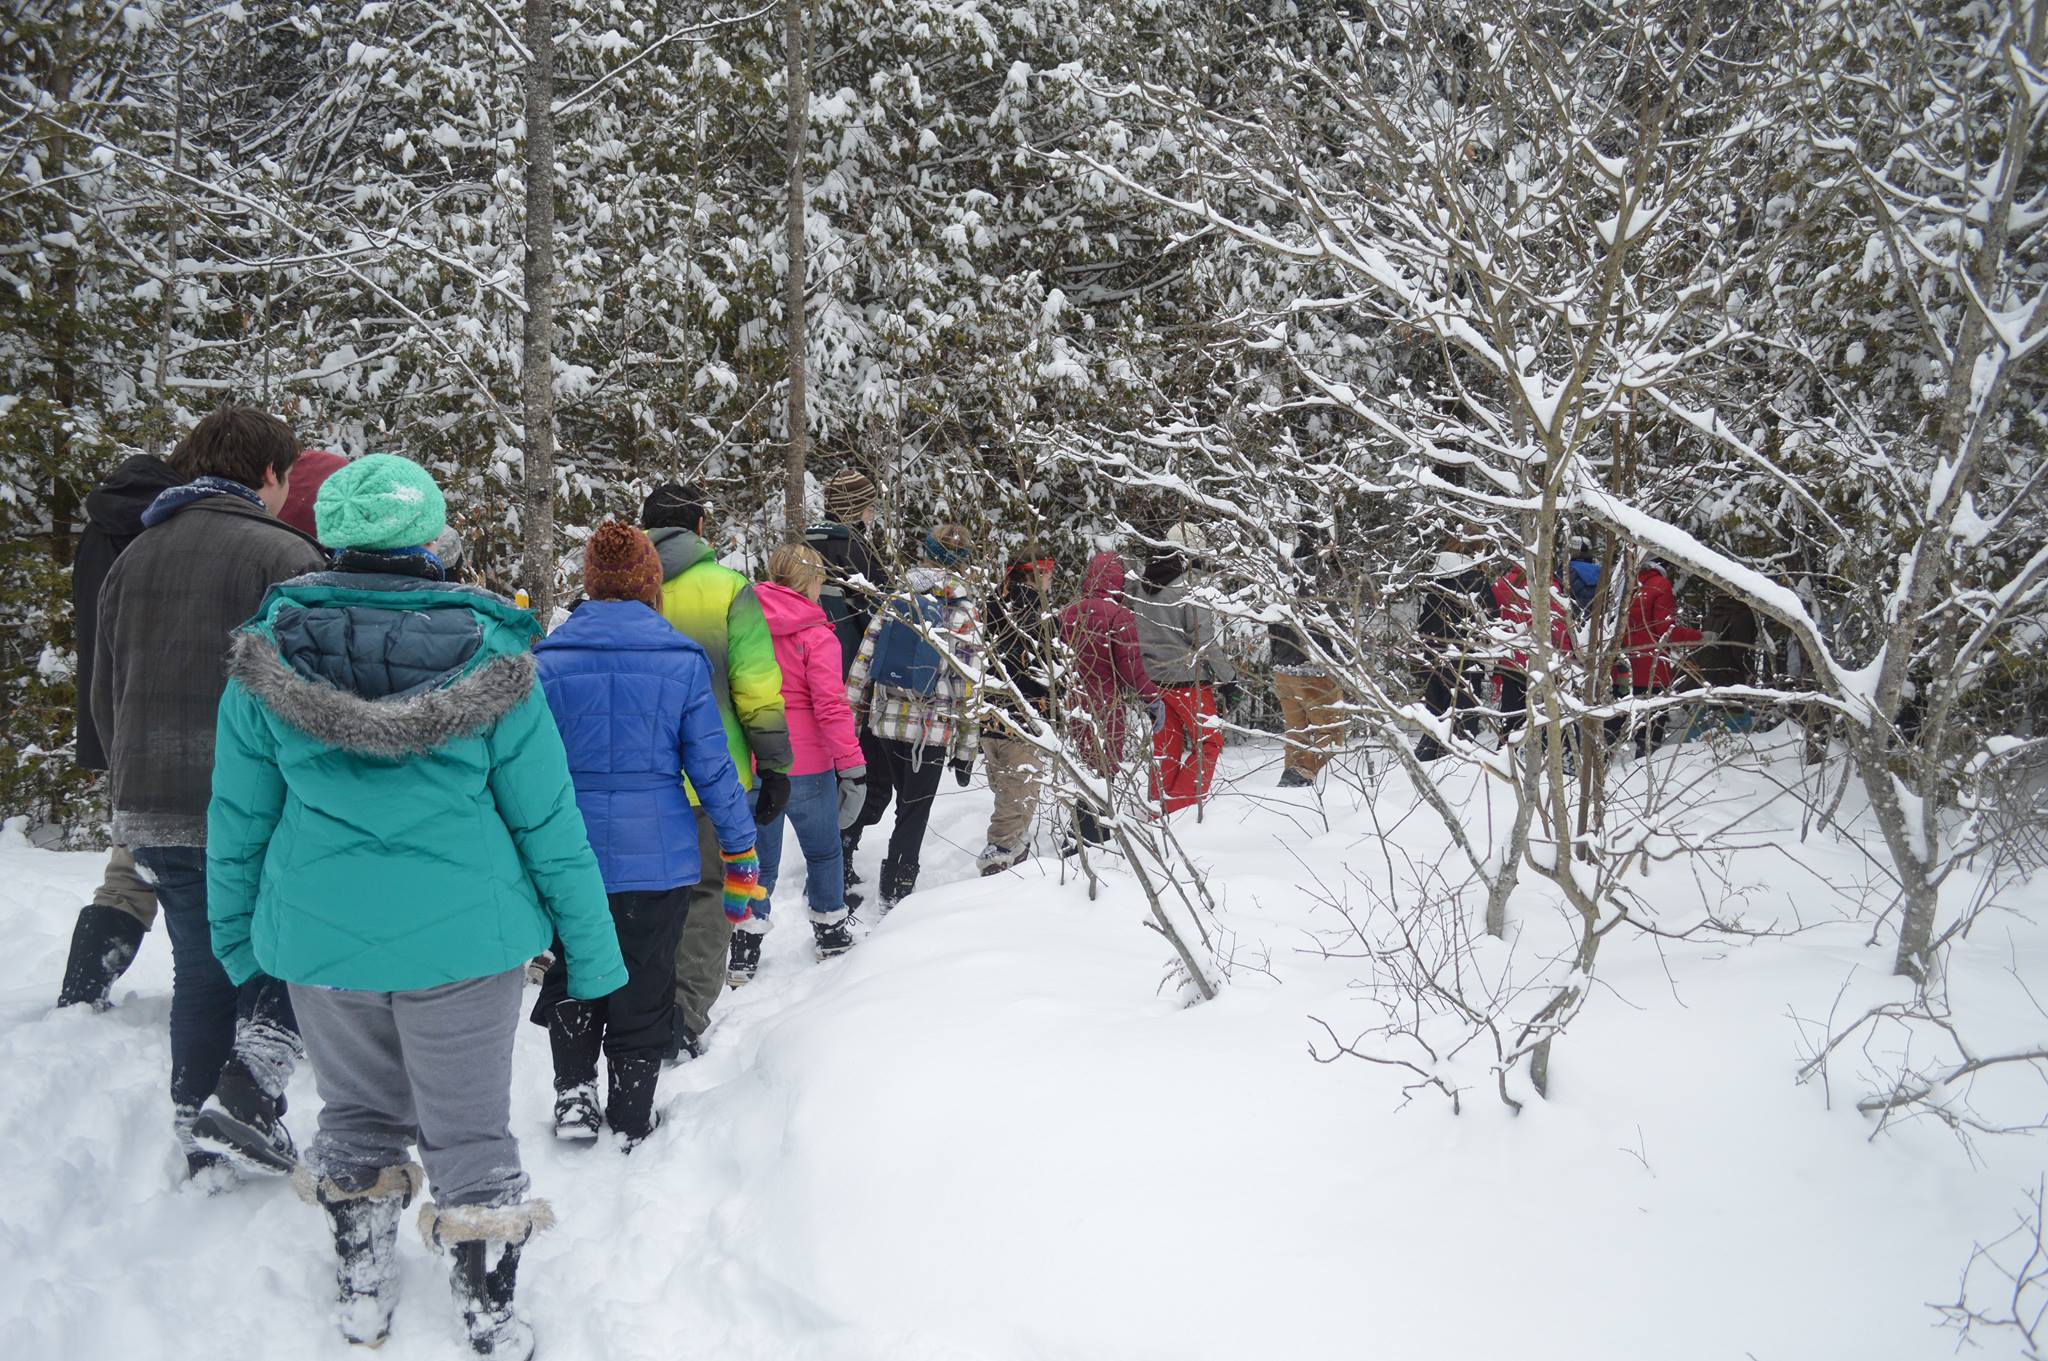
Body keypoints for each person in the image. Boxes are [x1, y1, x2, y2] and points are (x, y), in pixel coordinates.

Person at [206, 454, 626, 1355]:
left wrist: (239, 946)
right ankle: (488, 1315)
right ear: (431, 538)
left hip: (323, 941)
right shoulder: (499, 662)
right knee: (469, 1129)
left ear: (334, 536)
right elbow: (551, 823)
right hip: (466, 944)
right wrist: (591, 955)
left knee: (355, 1115)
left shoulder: (264, 658)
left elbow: (237, 823)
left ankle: (363, 1286)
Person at [90, 404, 326, 1178]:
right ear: (267, 473)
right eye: (285, 477)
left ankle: (198, 1129)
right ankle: (245, 1095)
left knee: (199, 964)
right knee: (284, 951)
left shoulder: (135, 556)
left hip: (147, 800)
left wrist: (126, 775)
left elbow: (106, 687)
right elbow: (308, 694)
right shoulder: (284, 555)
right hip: (244, 804)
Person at [531, 521, 759, 1144]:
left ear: (590, 583)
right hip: (658, 859)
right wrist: (740, 844)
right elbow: (710, 766)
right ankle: (630, 1110)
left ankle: (574, 1097)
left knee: (575, 964)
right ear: (652, 587)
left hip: (568, 852)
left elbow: (524, 767)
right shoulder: (679, 661)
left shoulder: (548, 660)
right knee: (647, 974)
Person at [639, 483, 793, 1061]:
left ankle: (634, 1010)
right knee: (706, 896)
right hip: (715, 777)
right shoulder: (729, 590)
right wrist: (775, 762)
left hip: (636, 780)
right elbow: (755, 687)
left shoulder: (617, 588)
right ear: (700, 527)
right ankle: (682, 1016)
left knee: (644, 896)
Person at [55, 451, 186, 1009]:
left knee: (129, 864)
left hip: (119, 715)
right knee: (189, 867)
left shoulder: (100, 529)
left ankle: (81, 994)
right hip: (178, 715)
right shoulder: (171, 534)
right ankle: (202, 995)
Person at [731, 543, 867, 983]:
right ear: (811, 581)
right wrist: (852, 764)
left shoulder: (743, 623)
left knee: (758, 859)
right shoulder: (816, 634)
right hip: (807, 765)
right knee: (824, 851)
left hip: (756, 759)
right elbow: (830, 706)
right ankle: (830, 931)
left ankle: (745, 948)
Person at [843, 524, 982, 909]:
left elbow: (863, 663)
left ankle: (839, 864)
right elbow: (969, 687)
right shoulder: (963, 614)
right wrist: (967, 750)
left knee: (871, 793)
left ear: (926, 551)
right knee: (913, 811)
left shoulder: (897, 600)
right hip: (930, 733)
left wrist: (851, 722)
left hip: (882, 721)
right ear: (964, 562)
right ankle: (896, 892)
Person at [1130, 527, 1240, 812]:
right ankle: (1178, 809)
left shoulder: (1142, 583)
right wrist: (1229, 680)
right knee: (1209, 743)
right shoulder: (1190, 587)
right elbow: (1204, 640)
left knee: (1166, 749)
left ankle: (1160, 810)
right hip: (1188, 681)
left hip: (1154, 680)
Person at [1059, 551, 1164, 846]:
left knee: (1084, 765)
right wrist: (1151, 699)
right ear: (1120, 581)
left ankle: (1083, 829)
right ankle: (1091, 835)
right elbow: (1131, 666)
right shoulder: (1119, 616)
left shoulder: (1068, 613)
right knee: (1103, 766)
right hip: (1106, 702)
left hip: (1073, 698)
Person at [975, 553, 1057, 873]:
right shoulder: (1040, 614)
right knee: (1015, 801)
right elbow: (1051, 672)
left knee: (1011, 793)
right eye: (1048, 574)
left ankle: (1014, 857)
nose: (1050, 580)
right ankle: (998, 858)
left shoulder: (989, 607)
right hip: (1025, 719)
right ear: (1035, 576)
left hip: (991, 716)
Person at [1269, 530, 1346, 788]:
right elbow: (1336, 625)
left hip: (1283, 668)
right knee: (1333, 733)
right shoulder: (1319, 578)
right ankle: (1300, 775)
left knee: (1296, 732)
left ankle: (1290, 785)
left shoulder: (1283, 576)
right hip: (1313, 669)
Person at [1412, 534, 1491, 762]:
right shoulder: (1476, 579)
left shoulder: (1437, 575)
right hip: (1464, 654)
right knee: (1464, 721)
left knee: (1435, 712)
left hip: (1434, 649)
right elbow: (1491, 616)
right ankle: (1456, 768)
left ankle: (1425, 761)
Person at [804, 468, 891, 674]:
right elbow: (881, 600)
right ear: (852, 509)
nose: (871, 516)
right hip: (848, 654)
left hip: (805, 652)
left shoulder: (802, 543)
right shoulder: (852, 546)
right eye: (869, 508)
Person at [1622, 559, 1703, 755]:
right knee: (1654, 718)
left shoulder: (1629, 584)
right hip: (1653, 662)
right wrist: (1699, 637)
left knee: (1637, 713)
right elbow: (1665, 630)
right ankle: (1646, 762)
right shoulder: (1661, 585)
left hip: (1627, 660)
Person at [1489, 564, 1573, 739]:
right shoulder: (1549, 586)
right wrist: (1564, 661)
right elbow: (1558, 628)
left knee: (1511, 721)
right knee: (1542, 721)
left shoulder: (1500, 584)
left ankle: (1507, 757)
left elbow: (1492, 624)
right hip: (1541, 664)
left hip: (1510, 662)